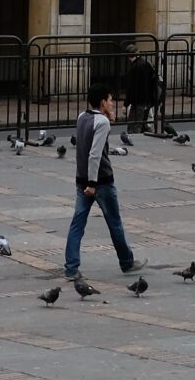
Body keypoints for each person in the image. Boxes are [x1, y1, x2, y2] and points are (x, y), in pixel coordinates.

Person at [63, 85, 137, 284]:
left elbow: (83, 147)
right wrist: (93, 183)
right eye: (110, 100)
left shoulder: (82, 117)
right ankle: (127, 261)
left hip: (81, 180)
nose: (112, 103)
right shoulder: (102, 122)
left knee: (77, 224)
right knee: (114, 222)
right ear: (103, 102)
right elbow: (94, 154)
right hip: (100, 181)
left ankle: (71, 267)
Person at [122, 53, 162, 136]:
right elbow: (154, 81)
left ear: (129, 57)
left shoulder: (135, 68)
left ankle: (136, 138)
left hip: (138, 101)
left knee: (135, 125)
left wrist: (126, 104)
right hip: (148, 100)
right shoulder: (147, 63)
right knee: (144, 123)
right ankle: (148, 134)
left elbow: (131, 88)